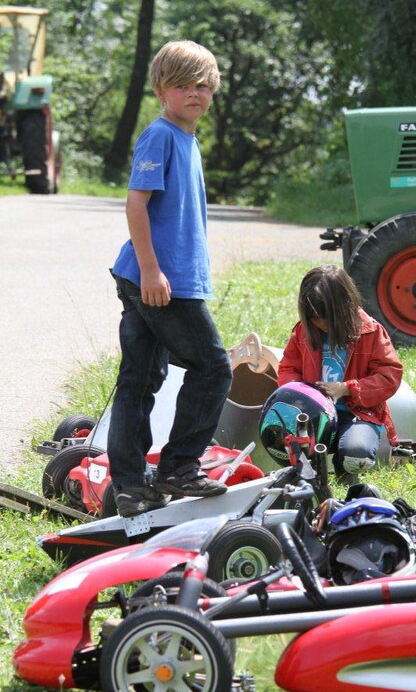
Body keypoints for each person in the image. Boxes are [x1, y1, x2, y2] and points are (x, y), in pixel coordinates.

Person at [107, 40, 232, 517]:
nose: (194, 93)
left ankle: (131, 487)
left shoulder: (186, 138)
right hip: (160, 282)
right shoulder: (160, 136)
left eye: (203, 85)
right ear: (162, 90)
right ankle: (180, 467)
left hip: (154, 278)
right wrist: (154, 270)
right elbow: (135, 202)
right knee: (213, 368)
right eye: (182, 85)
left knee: (140, 380)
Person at [277, 264, 403, 479]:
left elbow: (389, 375)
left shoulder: (370, 332)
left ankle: (345, 468)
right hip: (313, 414)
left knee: (357, 456)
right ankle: (308, 476)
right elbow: (288, 369)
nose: (319, 323)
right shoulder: (302, 332)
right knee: (284, 446)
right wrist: (302, 393)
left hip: (357, 414)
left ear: (344, 308)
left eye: (324, 317)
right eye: (313, 318)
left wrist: (347, 388)